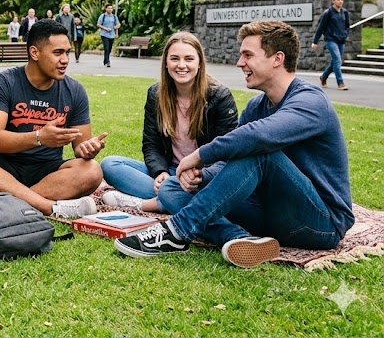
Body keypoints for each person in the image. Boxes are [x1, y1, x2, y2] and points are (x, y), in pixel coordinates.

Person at [115, 21, 354, 268]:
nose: (240, 63)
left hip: (320, 223)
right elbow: (232, 164)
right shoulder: (256, 107)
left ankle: (177, 232)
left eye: (248, 55)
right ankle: (236, 238)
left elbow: (258, 137)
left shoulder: (311, 102)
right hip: (268, 216)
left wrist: (199, 156)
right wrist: (200, 176)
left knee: (260, 154)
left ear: (277, 58)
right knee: (173, 189)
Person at [0, 20, 107, 219]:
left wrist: (88, 149)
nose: (65, 60)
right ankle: (48, 207)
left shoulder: (75, 90)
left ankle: (9, 203)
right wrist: (39, 137)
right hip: (3, 169)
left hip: (48, 172)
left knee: (92, 171)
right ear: (34, 53)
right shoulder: (3, 83)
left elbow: (80, 147)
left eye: (67, 52)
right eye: (58, 53)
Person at [100, 32, 238, 212]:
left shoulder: (220, 97)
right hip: (171, 171)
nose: (181, 65)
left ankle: (149, 204)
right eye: (174, 59)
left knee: (220, 190)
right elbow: (151, 144)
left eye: (189, 59)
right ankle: (173, 198)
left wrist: (199, 175)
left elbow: (225, 153)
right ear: (166, 63)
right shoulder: (156, 95)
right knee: (110, 164)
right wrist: (160, 172)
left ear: (199, 63)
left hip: (201, 177)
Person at [312, 0, 350, 91]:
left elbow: (347, 26)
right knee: (338, 60)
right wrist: (314, 41)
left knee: (335, 62)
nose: (340, 1)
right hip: (330, 40)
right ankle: (340, 83)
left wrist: (345, 34)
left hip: (341, 40)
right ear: (333, 1)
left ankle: (323, 77)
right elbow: (320, 28)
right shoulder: (328, 13)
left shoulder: (345, 12)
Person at [96, 3, 120, 67]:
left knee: (109, 49)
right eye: (109, 8)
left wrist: (116, 27)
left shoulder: (114, 16)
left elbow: (118, 24)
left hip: (112, 35)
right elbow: (98, 24)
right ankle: (107, 61)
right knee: (106, 48)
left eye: (111, 8)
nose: (110, 9)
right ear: (106, 9)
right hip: (104, 34)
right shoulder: (103, 16)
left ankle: (105, 60)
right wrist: (105, 28)